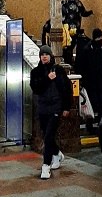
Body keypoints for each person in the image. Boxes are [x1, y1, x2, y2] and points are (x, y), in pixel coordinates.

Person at [29, 44, 72, 179]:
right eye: (42, 55)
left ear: (51, 56)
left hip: (55, 107)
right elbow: (36, 88)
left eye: (46, 54)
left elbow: (66, 89)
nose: (44, 57)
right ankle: (57, 154)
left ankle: (46, 166)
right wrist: (48, 79)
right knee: (46, 135)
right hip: (43, 108)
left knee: (48, 136)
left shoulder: (58, 70)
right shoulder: (36, 72)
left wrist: (66, 107)